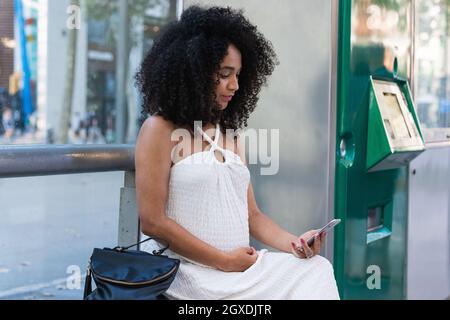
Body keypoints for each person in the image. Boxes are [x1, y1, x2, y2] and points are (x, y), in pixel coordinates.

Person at [134, 5, 340, 300]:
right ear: (193, 73)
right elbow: (152, 221)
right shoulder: (159, 130)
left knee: (316, 268)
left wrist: (296, 243)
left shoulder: (227, 133)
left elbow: (253, 215)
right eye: (224, 74)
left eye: (239, 74)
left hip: (240, 270)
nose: (235, 85)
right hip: (189, 274)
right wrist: (223, 260)